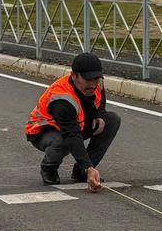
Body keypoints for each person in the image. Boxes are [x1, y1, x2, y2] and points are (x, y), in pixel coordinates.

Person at [25, 52, 120, 191]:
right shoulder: (61, 98)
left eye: (96, 79)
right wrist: (88, 167)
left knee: (112, 120)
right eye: (88, 80)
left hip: (77, 125)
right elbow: (71, 134)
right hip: (44, 131)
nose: (93, 84)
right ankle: (49, 168)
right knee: (62, 141)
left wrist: (100, 116)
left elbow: (102, 100)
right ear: (74, 75)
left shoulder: (97, 83)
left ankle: (82, 173)